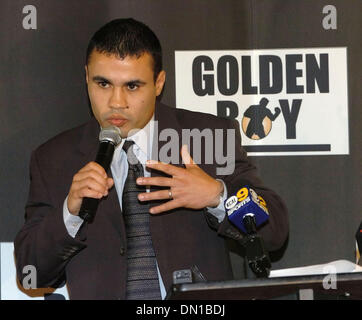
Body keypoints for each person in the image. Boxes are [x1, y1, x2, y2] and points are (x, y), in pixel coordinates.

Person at [14, 18, 288, 300]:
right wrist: (69, 213)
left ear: (158, 83)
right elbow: (31, 274)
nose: (116, 102)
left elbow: (275, 231)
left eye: (132, 86)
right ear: (86, 78)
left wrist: (218, 196)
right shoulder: (54, 158)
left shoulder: (207, 137)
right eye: (103, 83)